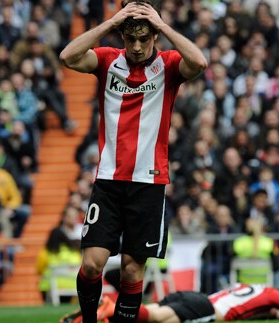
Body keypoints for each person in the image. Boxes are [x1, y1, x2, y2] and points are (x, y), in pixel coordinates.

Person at [59, 0, 207, 321]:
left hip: (149, 183)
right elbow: (68, 56)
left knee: (130, 270)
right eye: (130, 39)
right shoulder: (107, 60)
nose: (137, 46)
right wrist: (110, 24)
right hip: (109, 182)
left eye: (144, 38)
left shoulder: (168, 65)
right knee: (91, 264)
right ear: (122, 37)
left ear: (154, 35)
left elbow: (200, 62)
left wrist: (164, 25)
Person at [61, 283, 279, 323]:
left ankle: (95, 316)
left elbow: (266, 312)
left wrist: (271, 314)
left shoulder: (249, 289)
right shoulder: (273, 294)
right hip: (207, 309)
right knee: (157, 317)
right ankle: (109, 306)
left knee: (159, 317)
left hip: (195, 296)